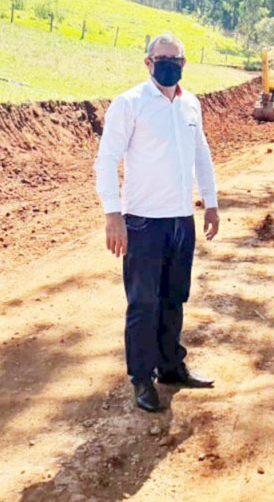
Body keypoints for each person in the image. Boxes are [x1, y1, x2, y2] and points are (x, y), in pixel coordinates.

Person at [94, 33, 221, 413]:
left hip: (182, 220)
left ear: (183, 64)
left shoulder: (191, 105)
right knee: (143, 303)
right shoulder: (129, 104)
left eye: (175, 59)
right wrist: (112, 214)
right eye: (161, 58)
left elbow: (202, 156)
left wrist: (210, 204)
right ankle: (141, 378)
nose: (168, 64)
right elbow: (106, 160)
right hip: (143, 223)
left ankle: (170, 366)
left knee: (174, 298)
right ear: (148, 62)